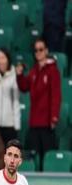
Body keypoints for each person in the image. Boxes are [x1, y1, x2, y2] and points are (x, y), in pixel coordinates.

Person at [16, 38, 61, 170]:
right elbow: (24, 87)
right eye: (36, 50)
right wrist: (19, 75)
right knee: (33, 158)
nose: (38, 52)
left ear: (46, 51)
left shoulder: (53, 70)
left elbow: (56, 95)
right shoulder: (34, 70)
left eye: (41, 49)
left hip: (47, 123)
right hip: (34, 122)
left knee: (47, 158)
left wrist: (54, 117)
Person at [0, 48, 21, 146]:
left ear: (8, 59)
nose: (0, 61)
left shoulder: (14, 75)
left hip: (10, 125)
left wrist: (16, 125)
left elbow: (16, 101)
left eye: (3, 57)